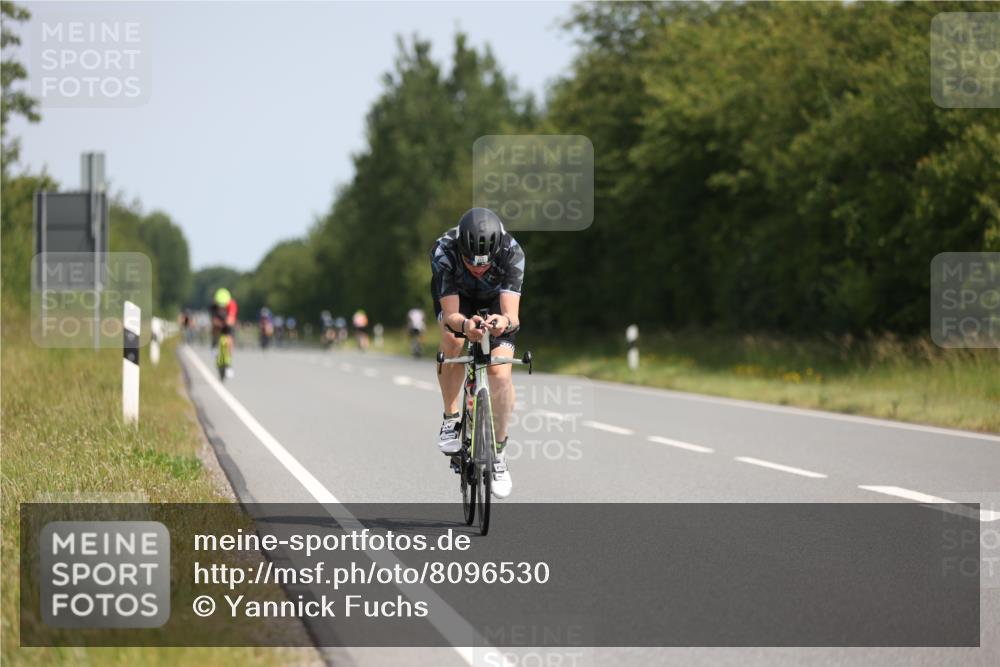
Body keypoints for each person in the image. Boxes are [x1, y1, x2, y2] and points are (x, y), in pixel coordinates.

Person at [430, 207, 524, 499]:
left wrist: (502, 323)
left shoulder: (511, 252)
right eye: (471, 263)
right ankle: (450, 417)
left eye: (485, 264)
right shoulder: (444, 250)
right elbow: (450, 315)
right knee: (453, 341)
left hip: (496, 303)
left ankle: (499, 452)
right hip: (459, 304)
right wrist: (465, 325)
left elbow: (513, 316)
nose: (479, 269)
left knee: (499, 372)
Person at [210, 288, 239, 378]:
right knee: (215, 327)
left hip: (227, 322)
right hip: (218, 321)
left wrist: (228, 322)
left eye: (223, 306)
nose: (221, 307)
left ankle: (228, 364)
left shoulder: (232, 305)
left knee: (229, 340)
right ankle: (214, 344)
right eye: (220, 305)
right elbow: (213, 319)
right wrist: (217, 323)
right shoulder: (213, 305)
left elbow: (231, 319)